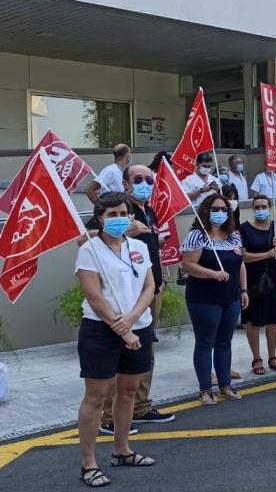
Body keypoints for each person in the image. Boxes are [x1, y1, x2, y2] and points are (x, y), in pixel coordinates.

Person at [74, 192, 156, 487]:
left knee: (129, 390)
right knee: (96, 396)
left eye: (124, 213)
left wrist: (133, 319)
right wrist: (122, 329)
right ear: (100, 219)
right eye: (112, 215)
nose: (120, 219)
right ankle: (88, 464)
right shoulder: (89, 250)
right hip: (101, 329)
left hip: (139, 326)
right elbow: (94, 296)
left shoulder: (138, 246)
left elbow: (149, 286)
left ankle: (122, 450)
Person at [90, 166, 174, 434]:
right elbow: (86, 238)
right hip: (122, 293)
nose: (144, 184)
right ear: (126, 183)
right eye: (138, 180)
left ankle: (139, 406)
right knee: (119, 352)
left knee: (145, 351)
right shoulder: (118, 209)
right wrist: (126, 229)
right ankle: (108, 415)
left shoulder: (149, 210)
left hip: (150, 289)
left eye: (149, 180)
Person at [180, 194, 249, 404]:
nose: (219, 213)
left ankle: (225, 385)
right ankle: (205, 389)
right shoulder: (197, 236)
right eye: (215, 209)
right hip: (204, 299)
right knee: (205, 343)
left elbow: (240, 264)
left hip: (231, 297)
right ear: (206, 211)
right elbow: (188, 265)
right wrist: (211, 273)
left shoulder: (234, 236)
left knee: (224, 342)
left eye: (223, 209)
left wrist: (244, 289)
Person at [240, 194, 276, 375]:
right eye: (257, 207)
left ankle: (273, 357)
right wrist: (266, 254)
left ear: (270, 208)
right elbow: (243, 256)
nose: (261, 210)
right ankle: (257, 358)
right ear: (253, 209)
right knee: (253, 320)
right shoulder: (244, 229)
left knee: (272, 319)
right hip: (252, 279)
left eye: (264, 207)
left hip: (273, 279)